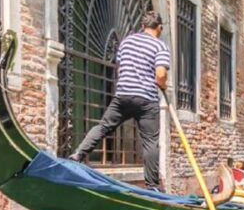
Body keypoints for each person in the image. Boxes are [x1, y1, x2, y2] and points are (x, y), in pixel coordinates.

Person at [69, 11, 170, 191]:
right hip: (147, 99)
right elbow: (160, 74)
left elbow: (120, 70)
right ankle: (153, 186)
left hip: (123, 95)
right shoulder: (159, 45)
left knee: (103, 126)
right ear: (160, 27)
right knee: (150, 142)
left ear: (143, 26)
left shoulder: (126, 42)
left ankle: (78, 154)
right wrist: (162, 85)